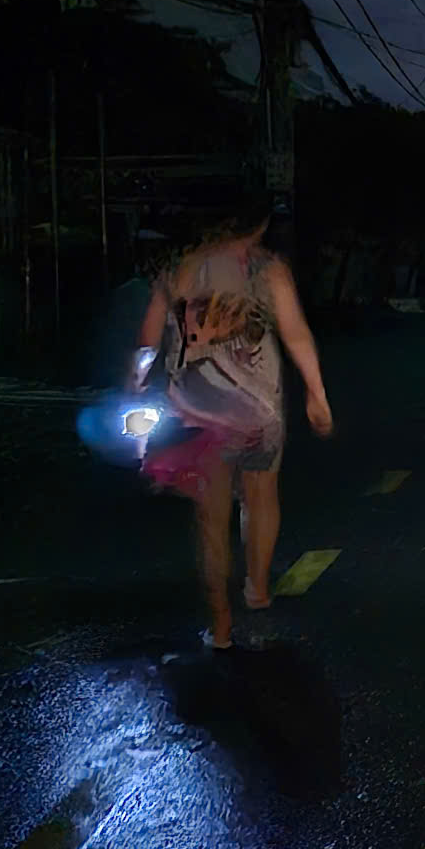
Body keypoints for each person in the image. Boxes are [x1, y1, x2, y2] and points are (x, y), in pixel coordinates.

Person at [132, 191, 333, 648]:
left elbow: (146, 343)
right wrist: (316, 394)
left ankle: (221, 624)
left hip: (197, 414)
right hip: (258, 411)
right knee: (261, 498)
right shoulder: (267, 270)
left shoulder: (177, 270)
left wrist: (136, 384)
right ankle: (257, 588)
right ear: (259, 226)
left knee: (210, 518)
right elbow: (296, 333)